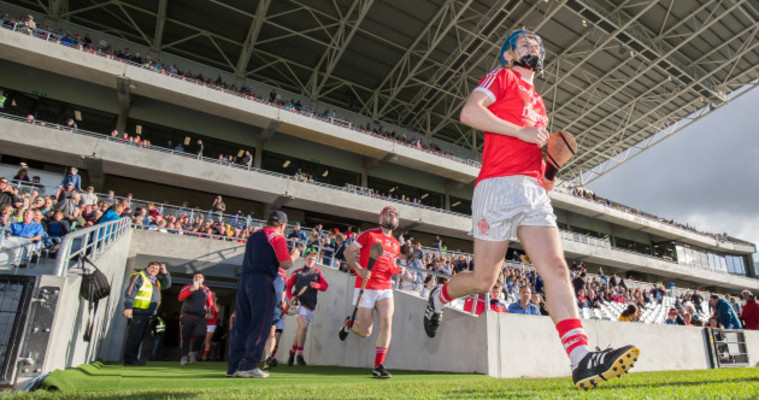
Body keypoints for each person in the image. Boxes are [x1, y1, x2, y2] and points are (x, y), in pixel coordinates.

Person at [421, 28, 638, 390]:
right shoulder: (501, 76)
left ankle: (581, 358)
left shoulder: (539, 104)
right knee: (484, 280)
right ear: (508, 54)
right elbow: (469, 113)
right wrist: (519, 132)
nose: (530, 47)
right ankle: (437, 297)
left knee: (556, 268)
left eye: (536, 44)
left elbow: (538, 161)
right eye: (522, 43)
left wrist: (548, 170)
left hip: (533, 190)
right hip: (496, 187)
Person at [337, 206, 412, 379]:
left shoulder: (395, 244)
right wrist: (358, 268)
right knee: (365, 332)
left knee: (387, 322)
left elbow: (390, 266)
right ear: (381, 218)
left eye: (395, 216)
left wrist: (400, 270)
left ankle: (378, 366)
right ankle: (349, 324)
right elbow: (348, 252)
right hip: (366, 286)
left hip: (385, 287)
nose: (392, 219)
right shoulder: (369, 235)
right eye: (389, 215)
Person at [227, 210, 300, 378]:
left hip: (245, 279)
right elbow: (286, 263)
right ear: (283, 226)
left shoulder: (254, 236)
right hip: (262, 280)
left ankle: (234, 368)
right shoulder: (276, 237)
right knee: (261, 324)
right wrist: (295, 255)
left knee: (241, 324)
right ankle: (248, 365)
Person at [285, 250, 329, 366]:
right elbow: (288, 286)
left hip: (311, 305)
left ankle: (292, 351)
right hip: (299, 304)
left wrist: (316, 285)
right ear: (304, 259)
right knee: (303, 326)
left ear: (316, 261)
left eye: (313, 259)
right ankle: (300, 355)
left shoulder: (318, 272)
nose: (311, 261)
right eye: (309, 259)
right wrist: (290, 297)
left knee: (301, 329)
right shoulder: (297, 273)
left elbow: (325, 286)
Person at [123, 262, 171, 365]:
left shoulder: (156, 281)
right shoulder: (140, 276)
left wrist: (165, 273)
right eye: (152, 268)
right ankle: (129, 360)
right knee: (134, 336)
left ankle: (134, 359)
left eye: (157, 269)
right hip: (138, 311)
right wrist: (128, 307)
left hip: (148, 313)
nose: (154, 270)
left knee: (140, 337)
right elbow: (131, 291)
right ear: (147, 267)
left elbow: (167, 285)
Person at [177, 271, 214, 365]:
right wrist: (190, 290)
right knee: (185, 337)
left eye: (200, 277)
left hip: (201, 317)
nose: (197, 278)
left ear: (203, 280)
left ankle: (193, 352)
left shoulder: (206, 290)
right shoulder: (187, 287)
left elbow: (209, 302)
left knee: (201, 334)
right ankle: (184, 357)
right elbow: (180, 298)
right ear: (193, 279)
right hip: (187, 315)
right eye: (196, 276)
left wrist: (210, 313)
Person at [262, 267, 288, 369]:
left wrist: (282, 301)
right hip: (262, 304)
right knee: (257, 332)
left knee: (271, 333)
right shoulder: (265, 267)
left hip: (275, 307)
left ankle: (267, 359)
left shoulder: (283, 273)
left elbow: (284, 289)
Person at [203, 292, 220, 361]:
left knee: (208, 339)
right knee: (199, 338)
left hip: (211, 324)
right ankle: (196, 353)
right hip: (204, 323)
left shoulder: (217, 304)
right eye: (211, 296)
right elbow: (206, 315)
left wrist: (214, 302)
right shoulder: (206, 304)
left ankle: (205, 355)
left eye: (213, 296)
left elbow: (217, 310)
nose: (212, 297)